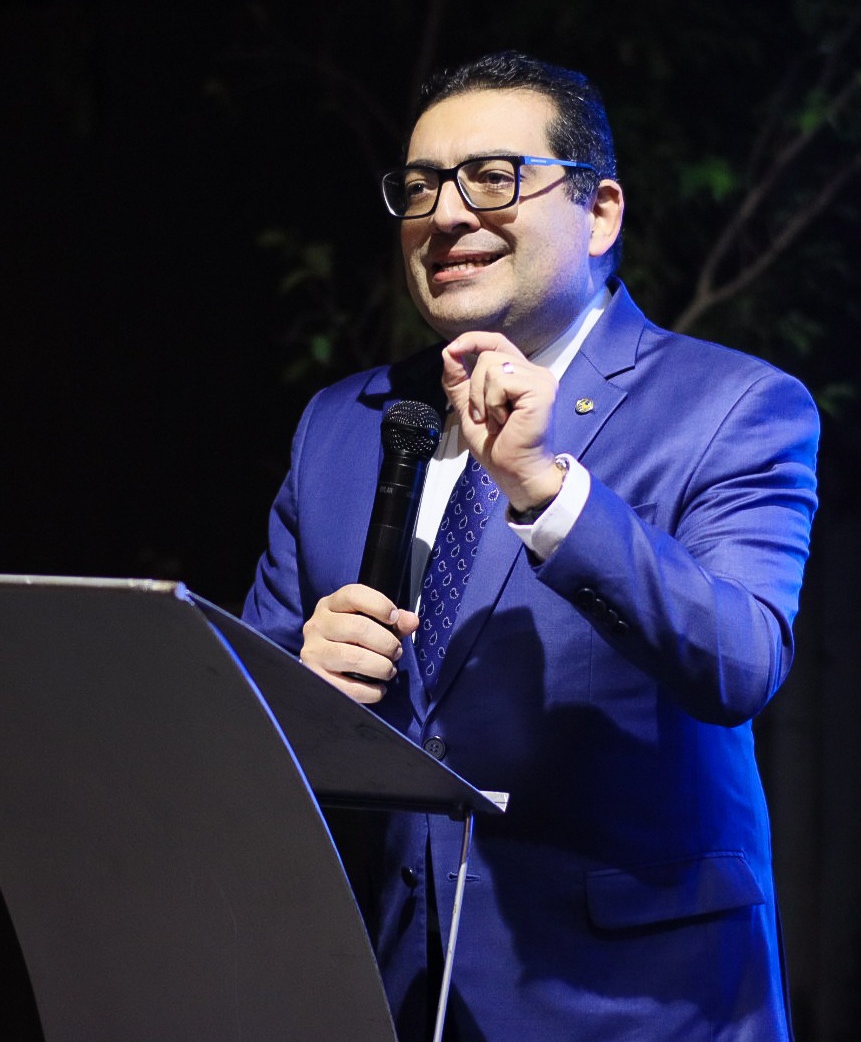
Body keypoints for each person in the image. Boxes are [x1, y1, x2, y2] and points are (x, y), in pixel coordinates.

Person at [243, 51, 818, 1041]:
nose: (445, 215)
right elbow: (245, 717)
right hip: (396, 995)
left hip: (638, 1004)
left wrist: (548, 492)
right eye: (420, 186)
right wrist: (300, 683)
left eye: (492, 177)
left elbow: (740, 661)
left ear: (599, 212)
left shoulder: (733, 405)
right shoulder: (342, 424)